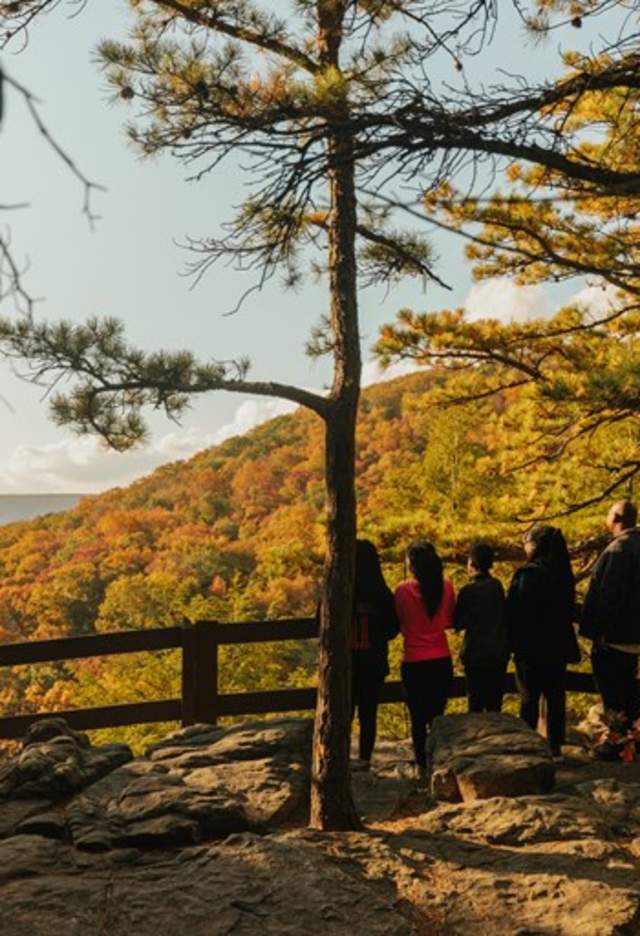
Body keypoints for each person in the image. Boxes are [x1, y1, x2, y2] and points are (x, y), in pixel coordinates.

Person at [507, 525, 578, 756]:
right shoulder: (563, 574)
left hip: (531, 647)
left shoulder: (528, 574)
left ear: (536, 545)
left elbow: (516, 611)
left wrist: (512, 642)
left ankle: (528, 747)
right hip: (558, 645)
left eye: (526, 542)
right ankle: (555, 745)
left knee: (529, 698)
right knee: (555, 696)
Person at [581, 500, 640, 743]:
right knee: (629, 689)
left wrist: (600, 632)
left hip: (616, 636)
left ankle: (617, 740)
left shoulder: (619, 550)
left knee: (613, 693)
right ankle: (630, 740)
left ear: (616, 518)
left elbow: (609, 595)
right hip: (635, 635)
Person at [395, 541, 455, 779]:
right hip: (441, 659)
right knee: (437, 718)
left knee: (417, 719)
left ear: (412, 565)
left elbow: (399, 621)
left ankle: (422, 766)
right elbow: (449, 620)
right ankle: (439, 763)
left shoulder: (402, 591)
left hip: (414, 661)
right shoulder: (447, 587)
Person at [350, 539, 399, 769]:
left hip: (345, 665)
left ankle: (339, 761)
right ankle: (364, 761)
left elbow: (319, 625)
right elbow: (392, 629)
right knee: (368, 715)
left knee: (342, 715)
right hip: (373, 663)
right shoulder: (382, 593)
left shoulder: (339, 591)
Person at [455, 543, 509, 713]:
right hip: (498, 653)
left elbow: (458, 622)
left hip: (475, 654)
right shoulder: (497, 586)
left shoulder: (467, 590)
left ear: (471, 563)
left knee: (475, 703)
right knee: (495, 704)